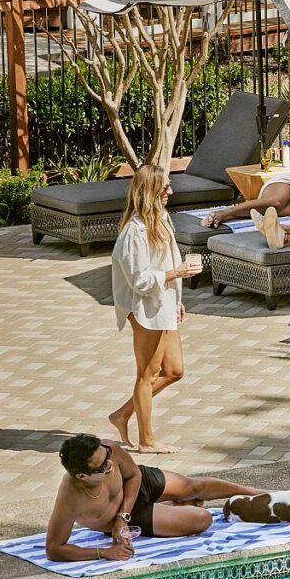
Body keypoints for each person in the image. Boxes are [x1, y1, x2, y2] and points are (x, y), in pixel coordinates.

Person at [45, 433, 264, 562]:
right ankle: (171, 506)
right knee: (202, 519)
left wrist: (123, 516)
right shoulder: (70, 495)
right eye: (103, 467)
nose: (110, 463)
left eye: (108, 457)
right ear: (82, 476)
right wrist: (104, 552)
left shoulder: (108, 448)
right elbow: (54, 549)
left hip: (136, 486)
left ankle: (255, 492)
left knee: (193, 486)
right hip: (136, 515)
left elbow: (133, 475)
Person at [109, 164, 202, 454]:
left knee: (174, 370)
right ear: (150, 192)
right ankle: (146, 441)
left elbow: (161, 268)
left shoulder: (161, 219)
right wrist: (178, 273)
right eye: (165, 187)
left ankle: (122, 414)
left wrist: (177, 298)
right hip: (144, 308)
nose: (170, 192)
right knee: (147, 375)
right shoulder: (133, 234)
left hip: (163, 303)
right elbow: (140, 281)